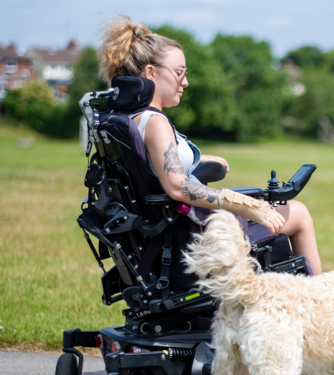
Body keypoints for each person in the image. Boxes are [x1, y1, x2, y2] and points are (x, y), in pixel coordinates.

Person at [97, 16, 322, 274]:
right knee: (299, 213)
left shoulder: (129, 119)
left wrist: (197, 159)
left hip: (167, 236)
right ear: (151, 73)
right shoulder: (155, 121)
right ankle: (320, 304)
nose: (185, 82)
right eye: (179, 72)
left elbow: (154, 164)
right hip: (195, 240)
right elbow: (179, 188)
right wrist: (251, 205)